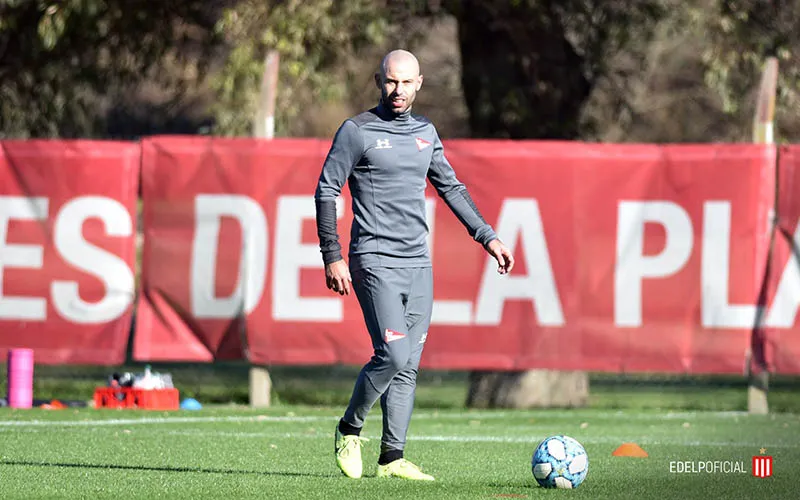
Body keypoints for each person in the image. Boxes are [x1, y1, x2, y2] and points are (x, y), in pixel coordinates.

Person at [314, 49, 514, 481]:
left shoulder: (426, 132)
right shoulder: (357, 131)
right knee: (393, 352)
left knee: (408, 366)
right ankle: (349, 428)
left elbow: (452, 188)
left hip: (417, 265)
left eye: (406, 82)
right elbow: (326, 190)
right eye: (390, 81)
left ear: (419, 83)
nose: (397, 90)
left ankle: (392, 458)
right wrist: (332, 254)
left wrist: (488, 236)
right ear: (378, 81)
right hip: (373, 260)